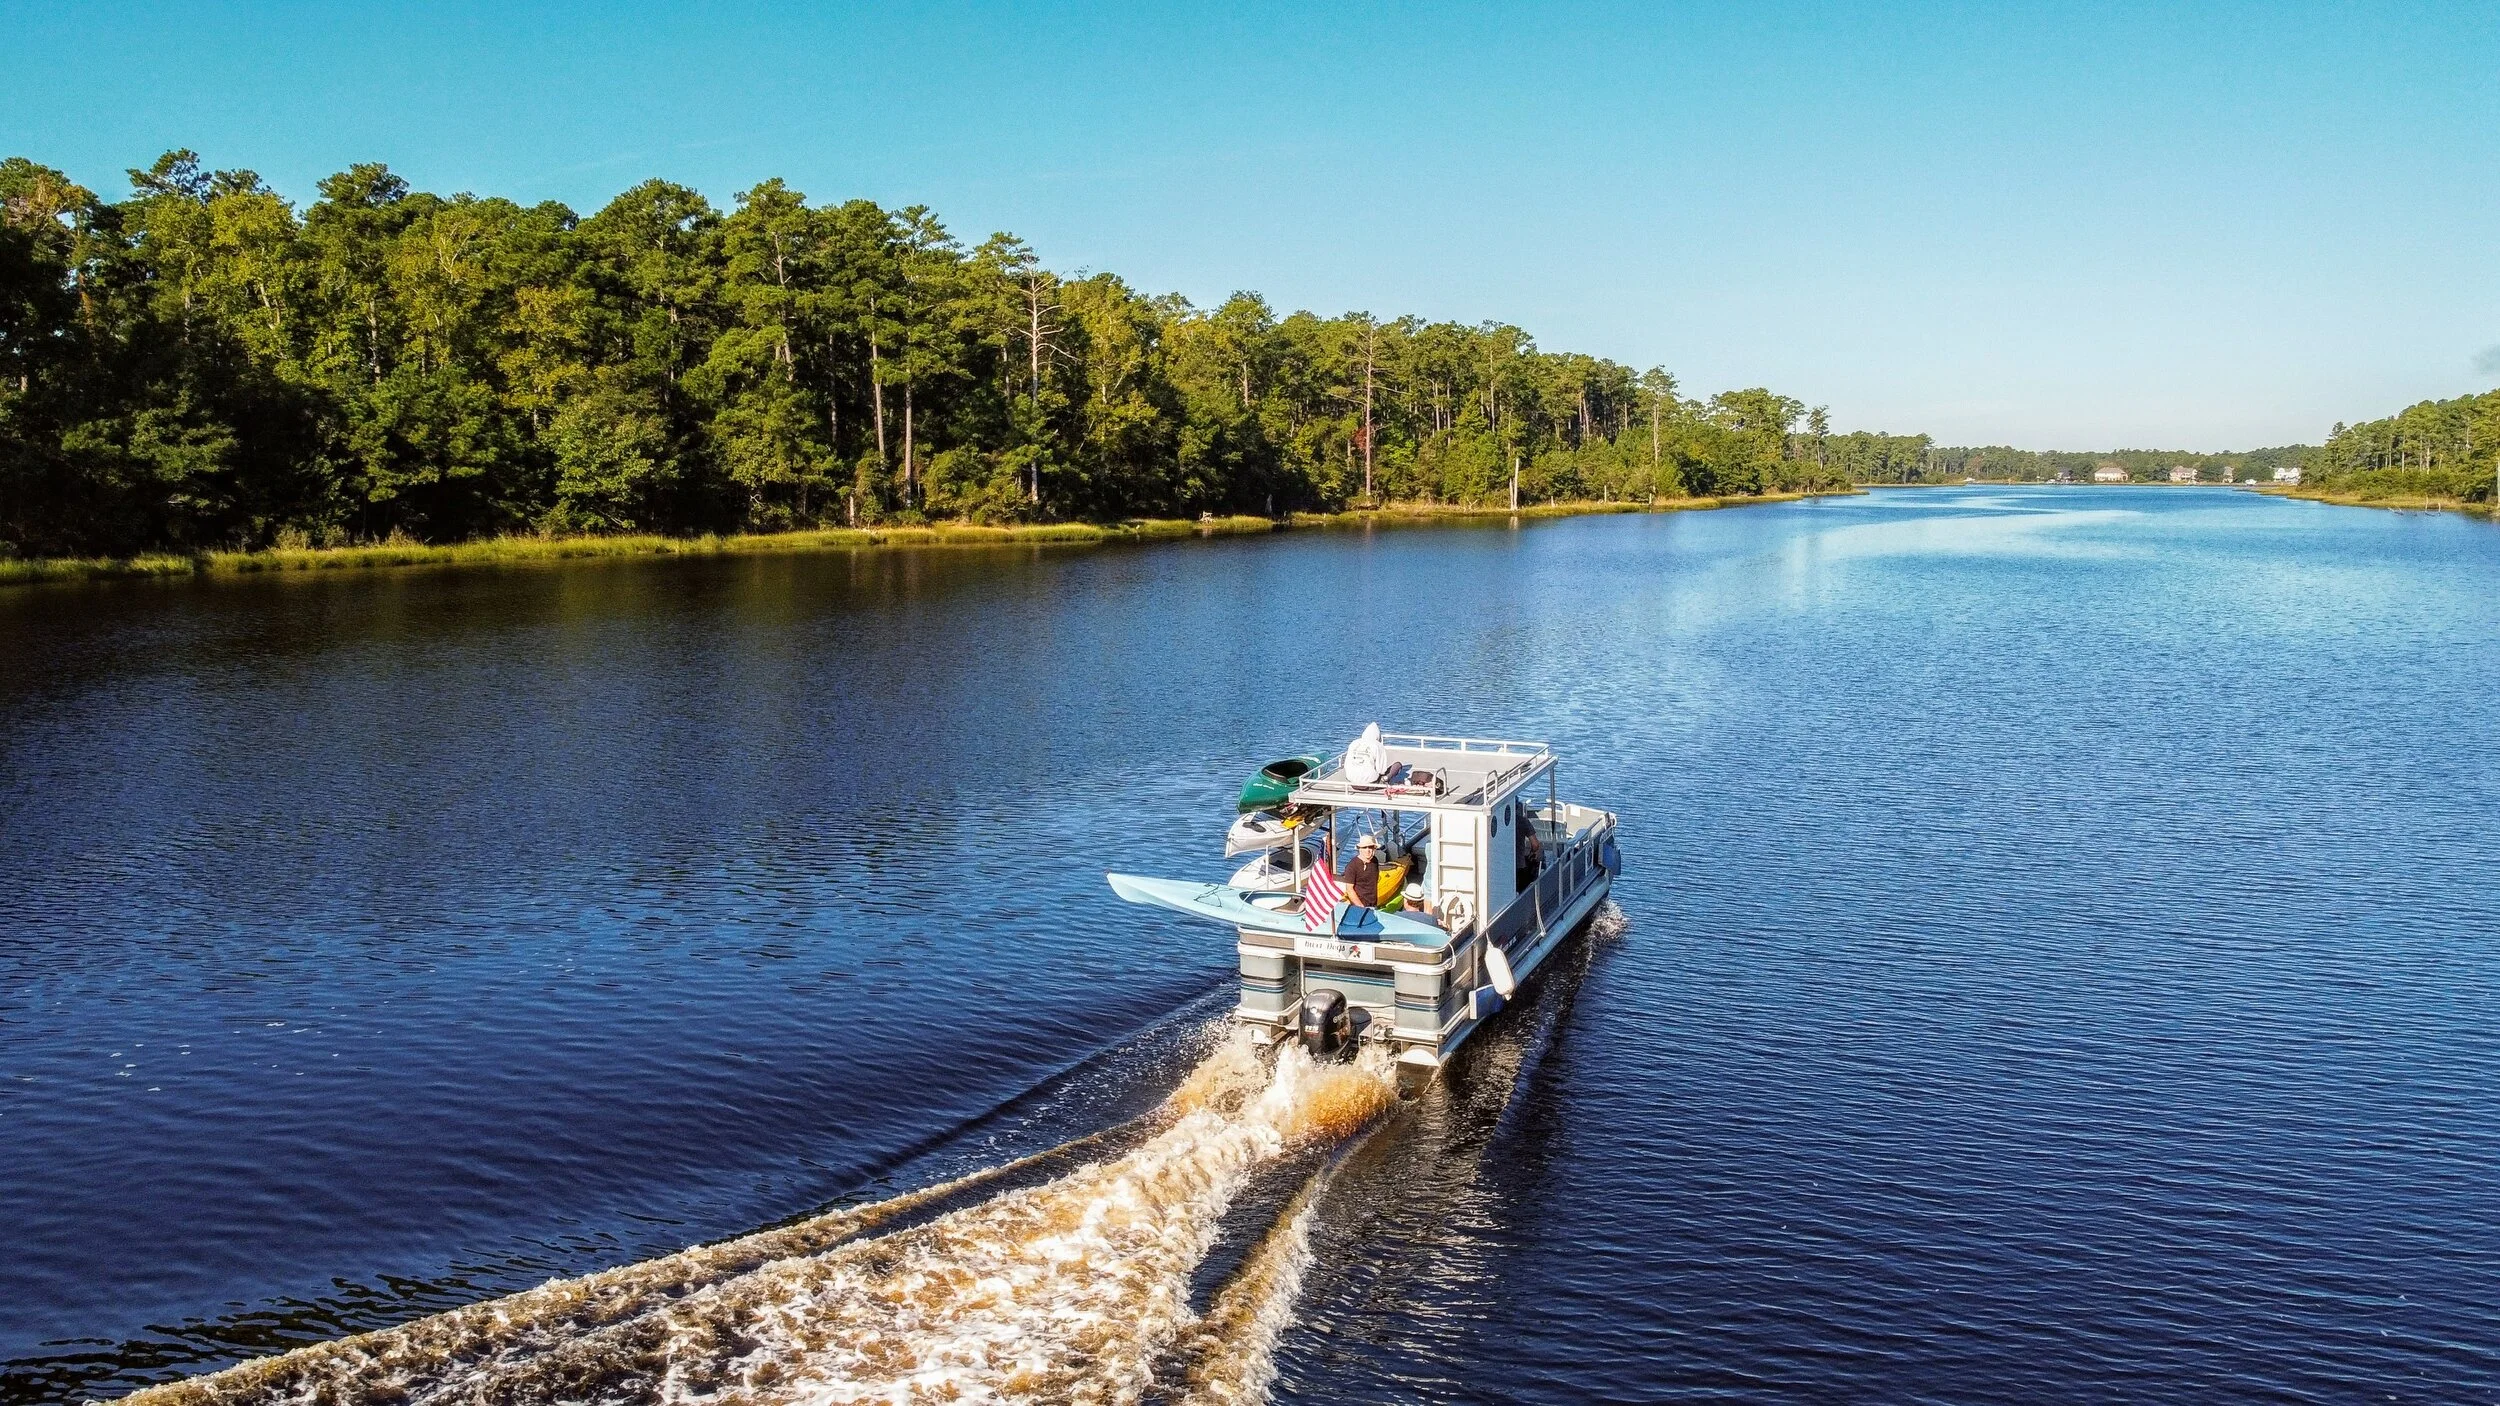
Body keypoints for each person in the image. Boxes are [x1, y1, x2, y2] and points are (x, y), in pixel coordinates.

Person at [1343, 834, 1382, 908]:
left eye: (1371, 847)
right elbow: (1349, 889)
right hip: (1358, 906)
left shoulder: (1375, 861)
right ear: (1359, 849)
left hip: (1373, 904)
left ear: (1374, 848)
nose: (1368, 850)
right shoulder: (1352, 866)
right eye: (1364, 847)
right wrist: (1360, 906)